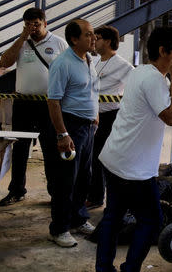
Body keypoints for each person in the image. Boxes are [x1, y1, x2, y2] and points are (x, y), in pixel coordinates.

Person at [95, 26, 172, 272]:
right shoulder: (154, 79)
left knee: (113, 218)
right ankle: (130, 268)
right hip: (132, 167)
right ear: (162, 51)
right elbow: (171, 117)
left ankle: (103, 267)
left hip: (117, 157)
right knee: (151, 220)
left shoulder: (142, 72)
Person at [0, 8, 68, 206]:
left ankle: (54, 192)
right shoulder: (22, 42)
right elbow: (4, 62)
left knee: (50, 148)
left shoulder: (58, 43)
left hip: (48, 103)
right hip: (23, 102)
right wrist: (22, 37)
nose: (33, 28)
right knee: (19, 148)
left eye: (36, 24)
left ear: (45, 23)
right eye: (29, 25)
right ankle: (16, 190)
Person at [47, 19, 99, 247]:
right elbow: (54, 101)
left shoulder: (89, 60)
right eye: (88, 35)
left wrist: (95, 116)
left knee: (84, 177)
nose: (94, 38)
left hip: (88, 127)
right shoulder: (62, 63)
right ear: (74, 39)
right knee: (65, 180)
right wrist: (62, 134)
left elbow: (92, 92)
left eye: (93, 34)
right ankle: (59, 229)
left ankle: (78, 219)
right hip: (70, 127)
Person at [85, 25, 134, 210]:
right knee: (93, 157)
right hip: (94, 115)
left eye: (97, 38)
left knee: (100, 157)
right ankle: (94, 193)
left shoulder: (121, 64)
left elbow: (133, 85)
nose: (94, 41)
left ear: (107, 41)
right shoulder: (96, 61)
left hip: (110, 116)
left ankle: (97, 197)